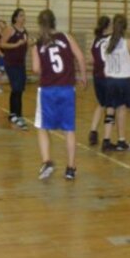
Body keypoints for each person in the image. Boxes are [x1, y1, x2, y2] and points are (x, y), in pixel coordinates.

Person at [32, 9, 86, 181]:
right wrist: (83, 76)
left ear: (40, 24)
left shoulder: (37, 44)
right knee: (69, 129)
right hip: (67, 89)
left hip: (47, 90)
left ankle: (47, 161)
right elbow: (80, 57)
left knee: (42, 127)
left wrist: (46, 69)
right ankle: (70, 168)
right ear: (54, 22)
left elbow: (35, 69)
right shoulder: (66, 37)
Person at [103, 14, 130, 158]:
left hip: (111, 81)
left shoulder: (106, 42)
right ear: (125, 27)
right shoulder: (129, 43)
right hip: (126, 80)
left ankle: (121, 141)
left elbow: (105, 62)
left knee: (120, 109)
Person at [88, 15, 119, 150]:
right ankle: (107, 140)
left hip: (97, 77)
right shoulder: (112, 40)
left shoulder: (95, 40)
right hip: (108, 76)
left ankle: (93, 132)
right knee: (111, 107)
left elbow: (91, 60)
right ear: (108, 26)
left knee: (101, 104)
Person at [0, 8, 29, 130]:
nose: (23, 17)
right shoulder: (10, 29)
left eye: (24, 15)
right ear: (16, 18)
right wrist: (16, 44)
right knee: (16, 88)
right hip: (11, 64)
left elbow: (25, 46)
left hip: (21, 64)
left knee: (19, 89)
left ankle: (15, 114)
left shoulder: (25, 31)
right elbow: (2, 44)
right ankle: (16, 115)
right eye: (21, 15)